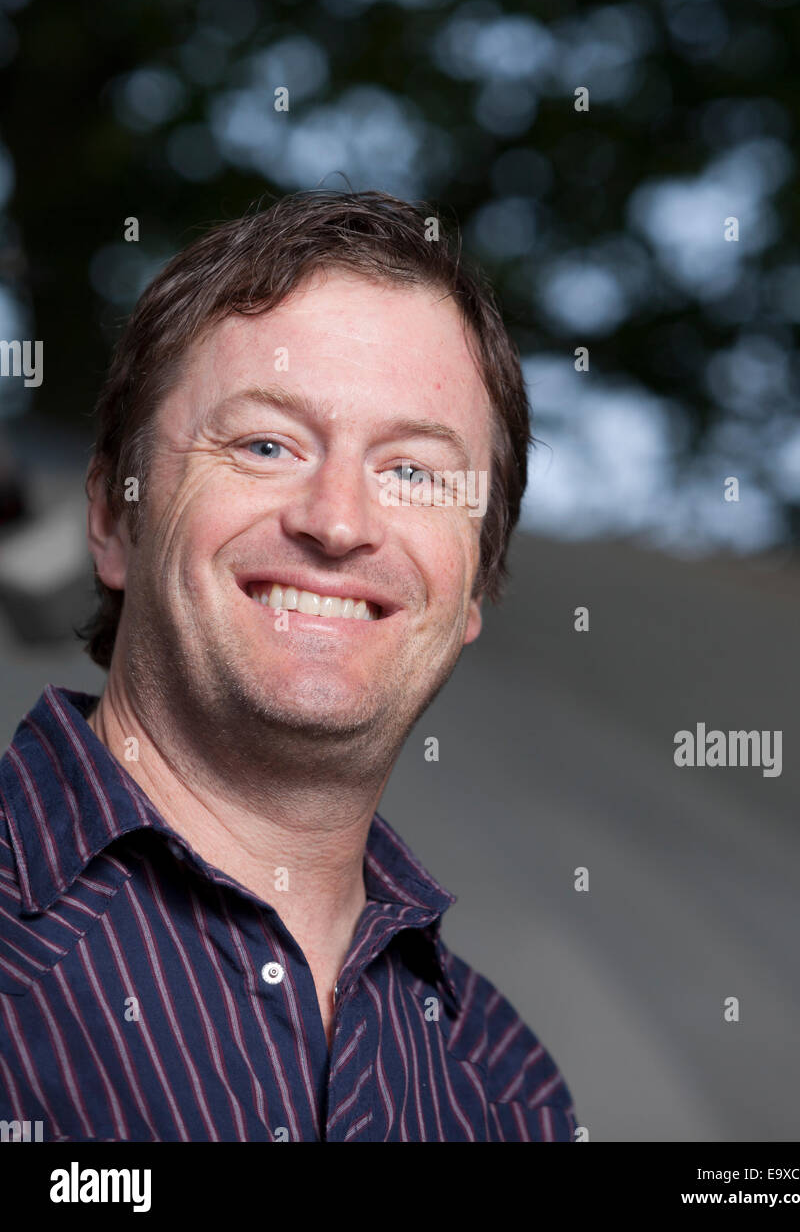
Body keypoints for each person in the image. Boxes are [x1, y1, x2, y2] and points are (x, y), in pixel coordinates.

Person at [0, 190, 576, 1142]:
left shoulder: (504, 1085)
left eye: (414, 473)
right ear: (112, 519)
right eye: (266, 445)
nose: (339, 521)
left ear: (477, 585)